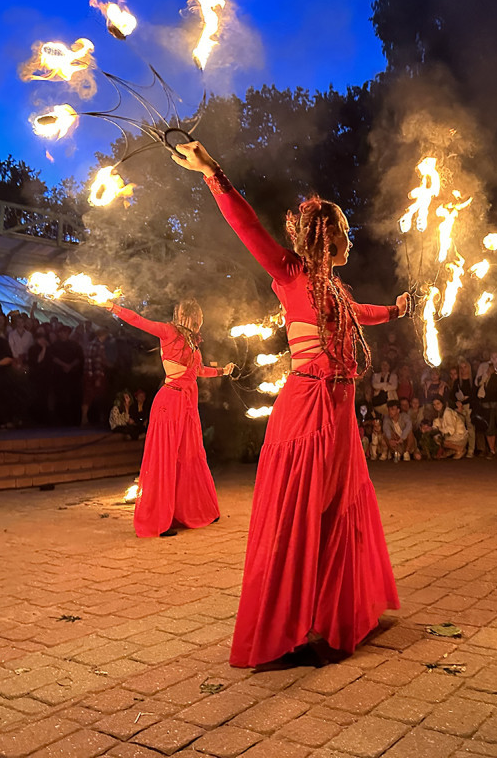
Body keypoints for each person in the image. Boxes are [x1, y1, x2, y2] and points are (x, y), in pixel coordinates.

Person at [173, 140, 406, 668]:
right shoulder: (291, 275)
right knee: (299, 515)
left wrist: (393, 310)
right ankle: (286, 634)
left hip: (341, 411)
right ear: (327, 235)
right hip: (308, 410)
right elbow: (247, 228)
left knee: (334, 512)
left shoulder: (336, 289)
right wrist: (214, 172)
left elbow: (357, 314)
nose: (349, 238)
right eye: (344, 232)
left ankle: (335, 615)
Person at [100, 297, 234, 538]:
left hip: (188, 406)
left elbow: (199, 372)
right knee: (165, 458)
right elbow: (139, 321)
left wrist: (223, 371)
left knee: (192, 455)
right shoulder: (168, 331)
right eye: (198, 317)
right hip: (170, 402)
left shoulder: (193, 343)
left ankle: (198, 510)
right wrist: (114, 308)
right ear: (190, 316)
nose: (200, 321)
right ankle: (159, 521)